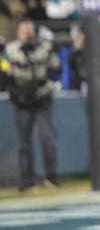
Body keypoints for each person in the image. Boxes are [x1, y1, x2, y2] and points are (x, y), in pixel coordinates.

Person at [1, 19, 61, 191]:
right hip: (22, 99)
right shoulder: (10, 49)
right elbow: (5, 72)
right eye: (24, 31)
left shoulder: (44, 47)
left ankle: (52, 177)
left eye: (30, 31)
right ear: (18, 33)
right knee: (24, 143)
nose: (27, 34)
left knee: (48, 139)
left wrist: (53, 66)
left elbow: (57, 69)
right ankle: (28, 181)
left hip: (41, 97)